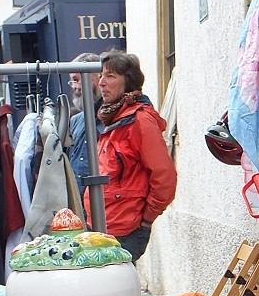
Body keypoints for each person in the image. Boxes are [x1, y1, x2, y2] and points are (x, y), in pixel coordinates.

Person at [83, 51, 177, 262]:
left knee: (116, 290)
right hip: (104, 223)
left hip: (125, 228)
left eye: (111, 76)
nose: (102, 83)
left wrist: (147, 217)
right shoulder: (114, 119)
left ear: (128, 82)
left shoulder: (139, 121)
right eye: (101, 76)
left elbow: (165, 176)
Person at [66, 52, 103, 201]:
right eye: (72, 81)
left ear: (98, 77)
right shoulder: (75, 121)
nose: (76, 87)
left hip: (107, 209)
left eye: (77, 79)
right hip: (81, 208)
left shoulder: (117, 117)